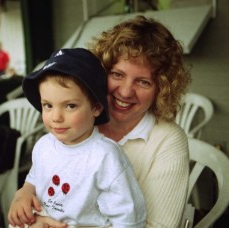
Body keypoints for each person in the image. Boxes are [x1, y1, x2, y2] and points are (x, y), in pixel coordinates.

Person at [11, 15, 192, 228]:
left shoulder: (168, 141)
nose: (125, 92)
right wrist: (25, 192)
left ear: (161, 88)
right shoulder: (72, 125)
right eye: (117, 74)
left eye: (143, 82)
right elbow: (45, 183)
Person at [8, 48, 146, 228]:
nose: (56, 117)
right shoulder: (44, 145)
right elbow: (34, 178)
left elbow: (128, 219)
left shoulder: (105, 157)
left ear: (96, 108)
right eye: (48, 105)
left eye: (70, 106)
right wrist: (24, 193)